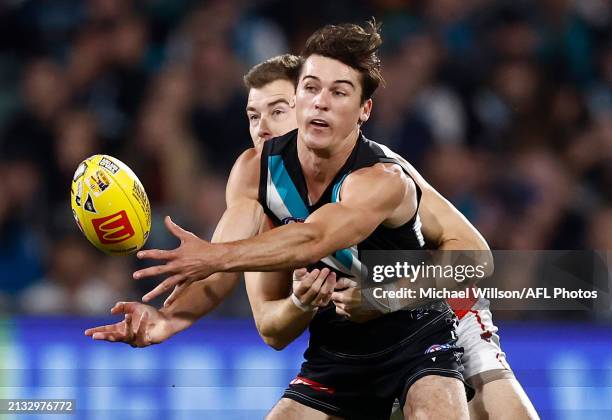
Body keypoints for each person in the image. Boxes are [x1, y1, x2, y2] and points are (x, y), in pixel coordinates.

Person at [87, 45, 537, 420]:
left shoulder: (381, 174)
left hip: (437, 308)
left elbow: (474, 256)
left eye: (277, 110)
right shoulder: (255, 175)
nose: (262, 127)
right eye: (252, 115)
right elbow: (269, 325)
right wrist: (170, 319)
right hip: (344, 342)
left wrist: (385, 294)